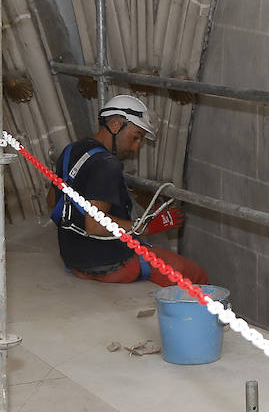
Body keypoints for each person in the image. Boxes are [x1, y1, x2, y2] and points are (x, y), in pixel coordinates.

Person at [52, 94, 209, 286]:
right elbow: (95, 225)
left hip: (73, 259)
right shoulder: (107, 165)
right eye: (135, 137)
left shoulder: (71, 150)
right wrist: (146, 226)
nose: (136, 148)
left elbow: (52, 201)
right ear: (116, 125)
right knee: (196, 276)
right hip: (110, 264)